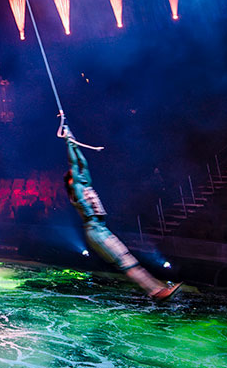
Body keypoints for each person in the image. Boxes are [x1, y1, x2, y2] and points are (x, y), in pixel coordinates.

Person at [60, 118, 178, 300]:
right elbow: (74, 165)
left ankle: (156, 289)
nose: (79, 175)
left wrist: (74, 142)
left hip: (102, 229)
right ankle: (154, 291)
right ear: (70, 181)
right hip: (94, 231)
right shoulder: (76, 191)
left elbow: (83, 163)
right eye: (74, 176)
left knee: (128, 259)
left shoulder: (86, 184)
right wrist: (69, 141)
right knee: (125, 262)